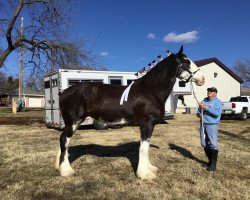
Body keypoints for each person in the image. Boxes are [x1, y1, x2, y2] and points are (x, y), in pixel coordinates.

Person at [197, 87, 223, 171]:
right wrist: (199, 114)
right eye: (208, 91)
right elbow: (198, 112)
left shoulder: (217, 102)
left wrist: (206, 108)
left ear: (215, 93)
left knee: (213, 143)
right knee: (204, 143)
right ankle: (209, 162)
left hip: (212, 124)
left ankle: (213, 165)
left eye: (211, 91)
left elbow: (217, 113)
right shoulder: (204, 101)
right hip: (203, 124)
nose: (208, 92)